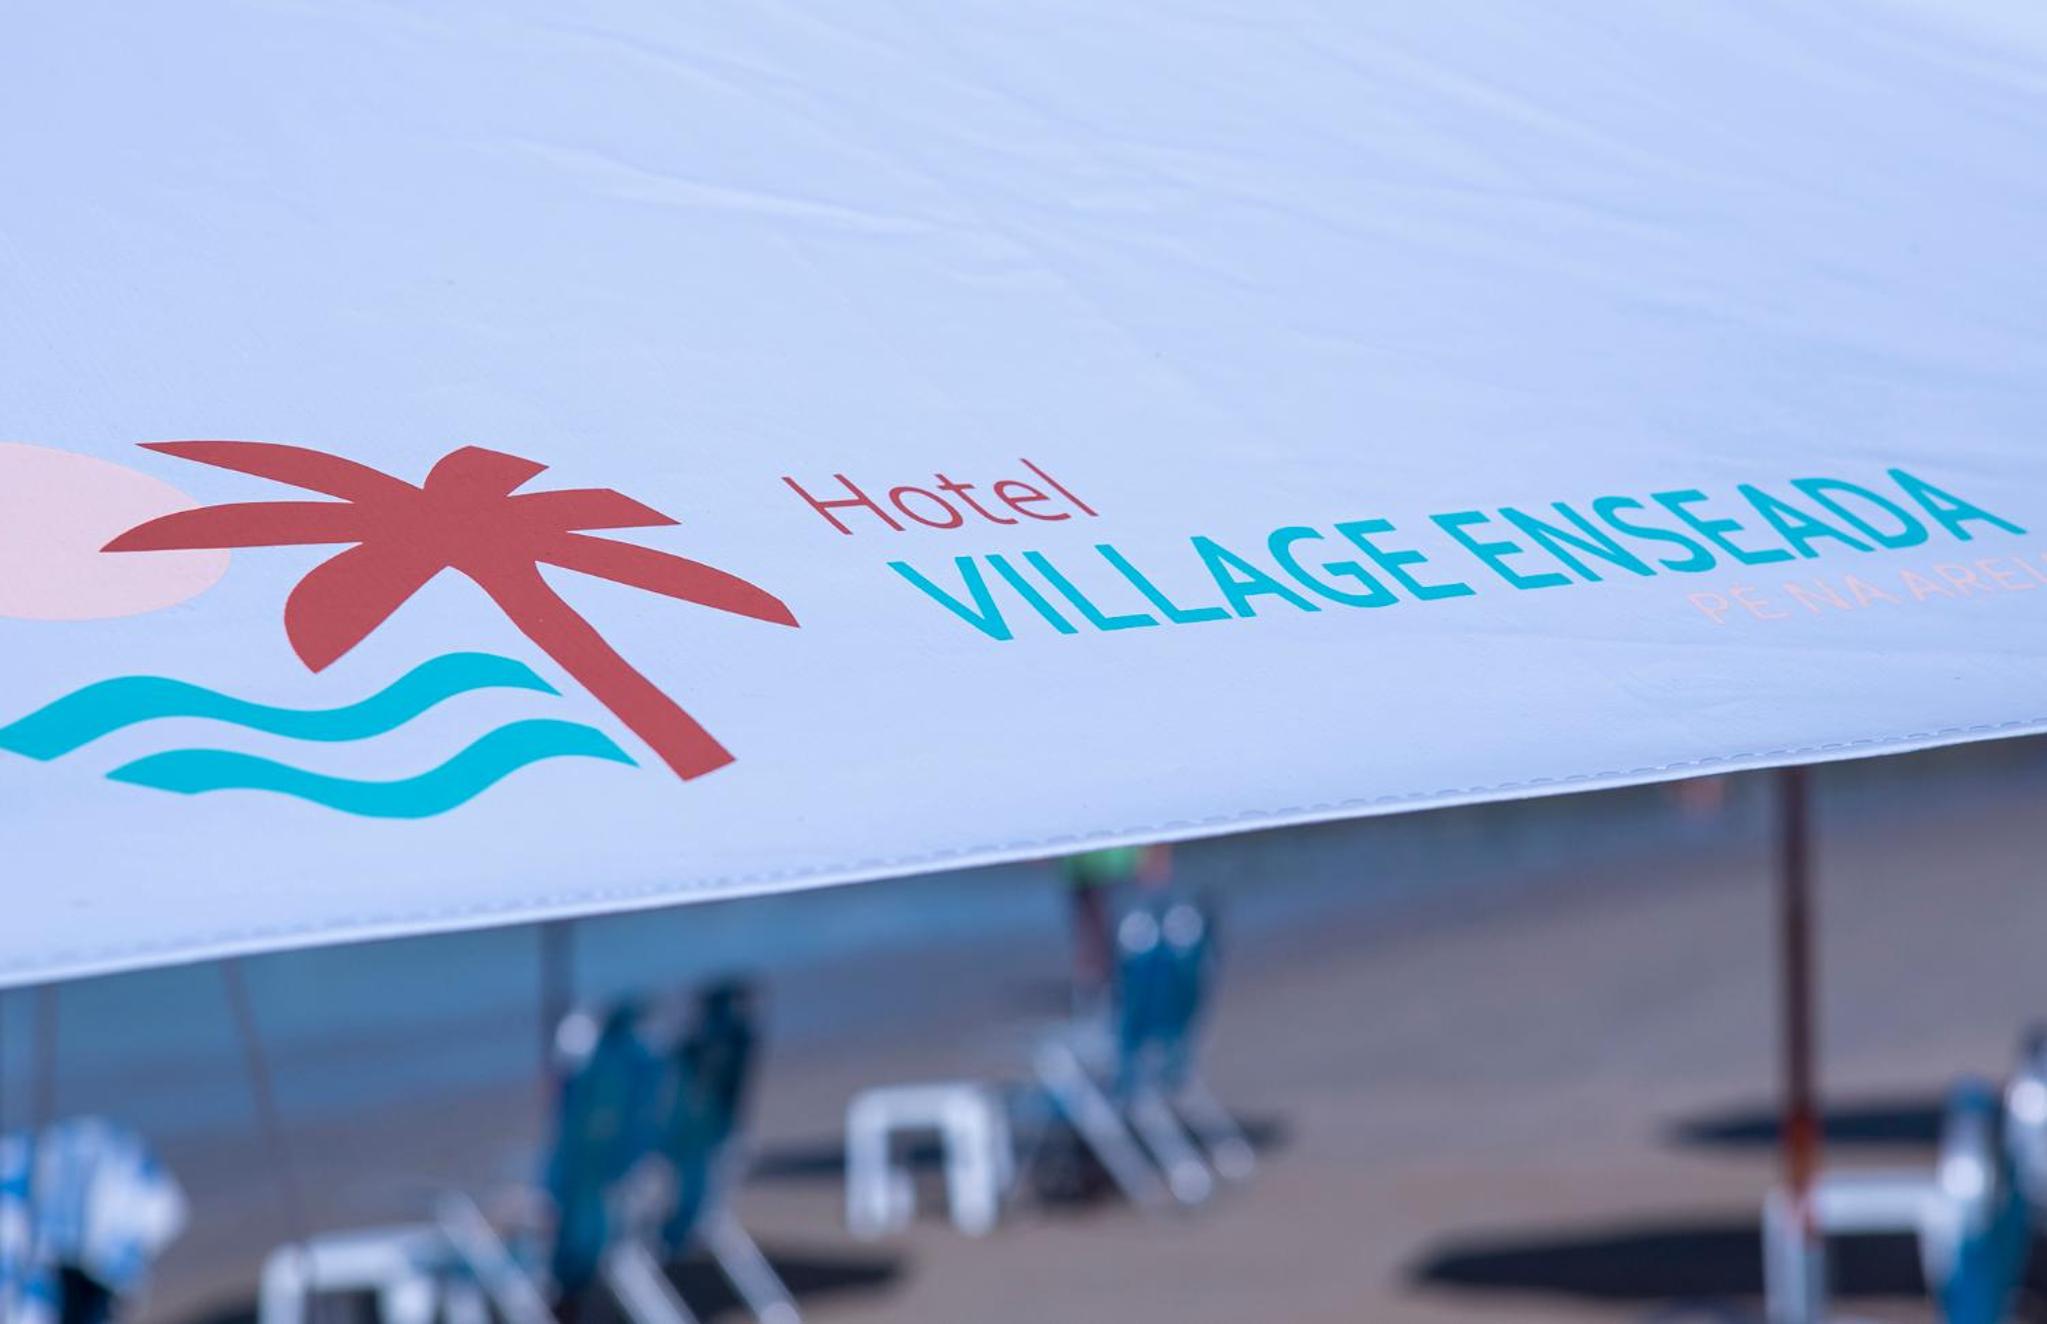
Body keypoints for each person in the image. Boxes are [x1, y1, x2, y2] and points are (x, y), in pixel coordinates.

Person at [1057, 844, 1170, 1013]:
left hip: (1117, 863)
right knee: (1090, 931)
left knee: (1121, 933)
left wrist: (1158, 854)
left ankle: (1122, 991)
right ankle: (1097, 988)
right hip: (1080, 863)